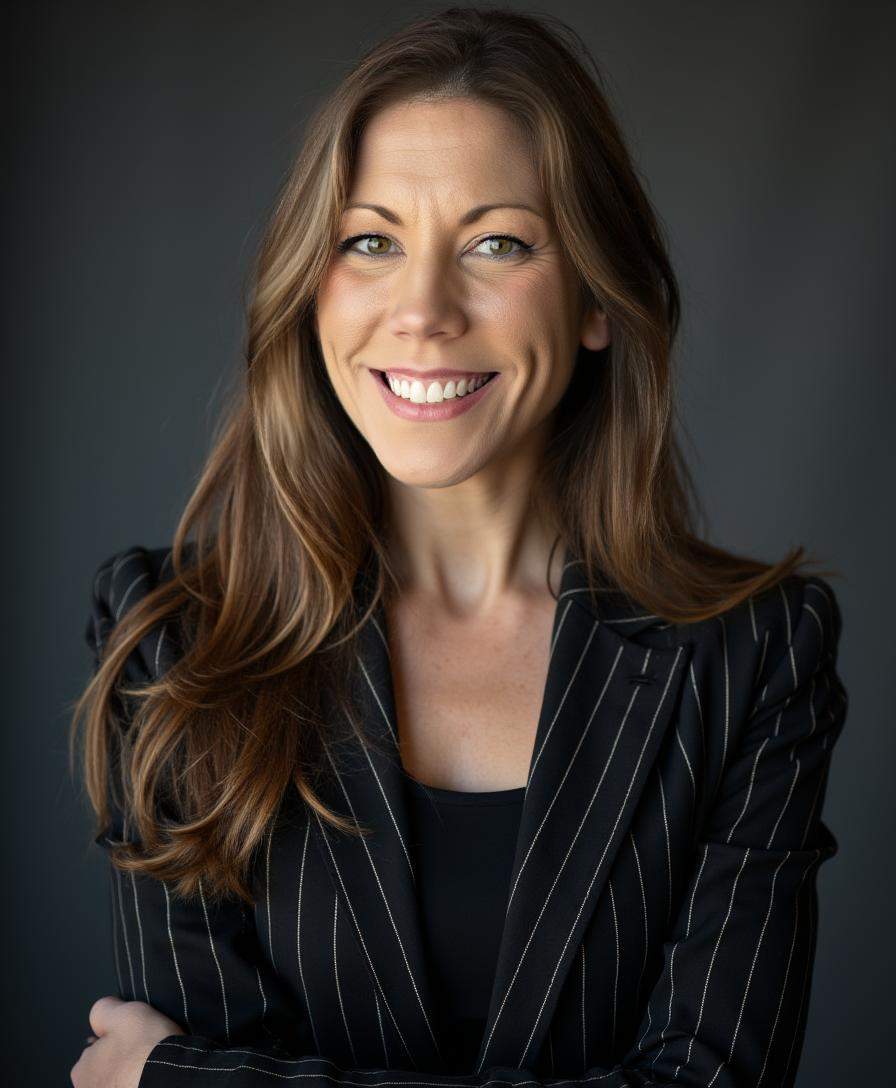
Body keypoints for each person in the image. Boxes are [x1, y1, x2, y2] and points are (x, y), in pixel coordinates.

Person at [69, 7, 848, 1087]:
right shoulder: (172, 647)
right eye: (369, 240)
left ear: (592, 297)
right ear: (310, 281)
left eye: (496, 242)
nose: (423, 309)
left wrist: (180, 1075)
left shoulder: (750, 657)